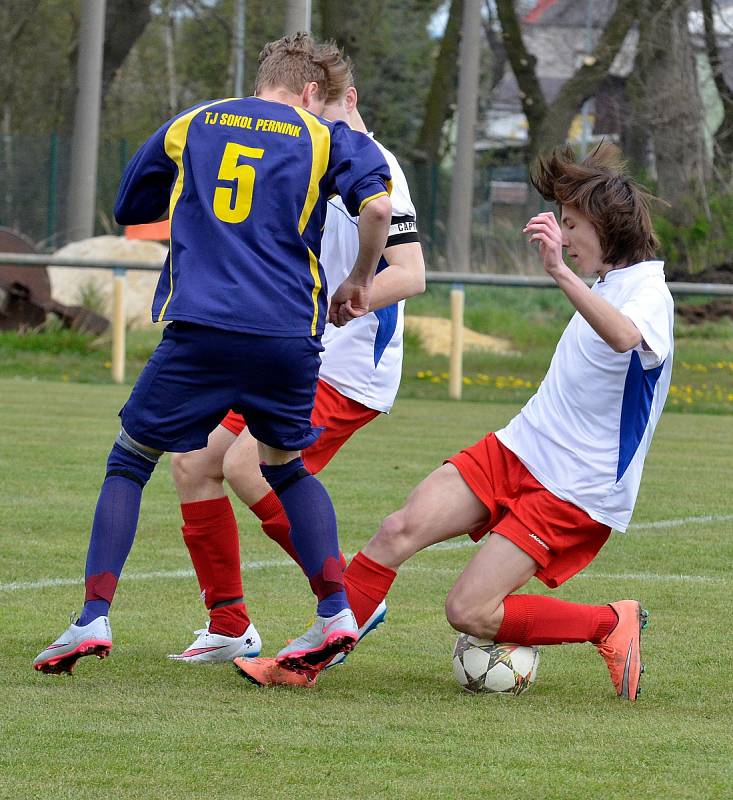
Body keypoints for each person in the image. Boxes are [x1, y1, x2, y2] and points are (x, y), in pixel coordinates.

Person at [238, 142, 674, 699]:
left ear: (606, 224)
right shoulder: (607, 284)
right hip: (518, 448)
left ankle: (610, 624)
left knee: (469, 610)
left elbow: (623, 337)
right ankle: (306, 660)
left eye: (572, 224)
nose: (562, 236)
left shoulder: (648, 293)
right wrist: (571, 274)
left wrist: (559, 273)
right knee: (397, 529)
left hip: (576, 487)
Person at [33, 33, 393, 676]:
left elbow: (129, 206)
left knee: (131, 461)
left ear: (266, 80)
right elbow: (379, 207)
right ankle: (337, 609)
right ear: (312, 92)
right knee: (285, 468)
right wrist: (360, 279)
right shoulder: (323, 136)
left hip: (203, 327)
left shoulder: (195, 122)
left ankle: (92, 618)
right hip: (288, 335)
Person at [167, 69, 425, 677]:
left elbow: (411, 273)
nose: (314, 127)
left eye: (325, 114)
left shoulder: (377, 165)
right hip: (291, 348)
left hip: (348, 364)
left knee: (244, 464)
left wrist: (343, 300)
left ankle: (349, 599)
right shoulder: (303, 153)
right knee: (193, 462)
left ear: (350, 100)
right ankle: (230, 626)